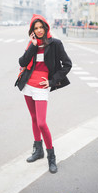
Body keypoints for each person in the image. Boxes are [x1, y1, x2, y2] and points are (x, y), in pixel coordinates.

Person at [15, 14, 72, 174]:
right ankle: (38, 150)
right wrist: (32, 46)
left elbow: (67, 64)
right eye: (36, 28)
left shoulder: (55, 44)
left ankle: (51, 156)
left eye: (41, 27)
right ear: (32, 31)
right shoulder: (32, 43)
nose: (39, 30)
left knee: (41, 122)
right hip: (27, 85)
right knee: (33, 118)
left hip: (41, 87)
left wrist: (52, 81)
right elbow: (22, 62)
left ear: (46, 27)